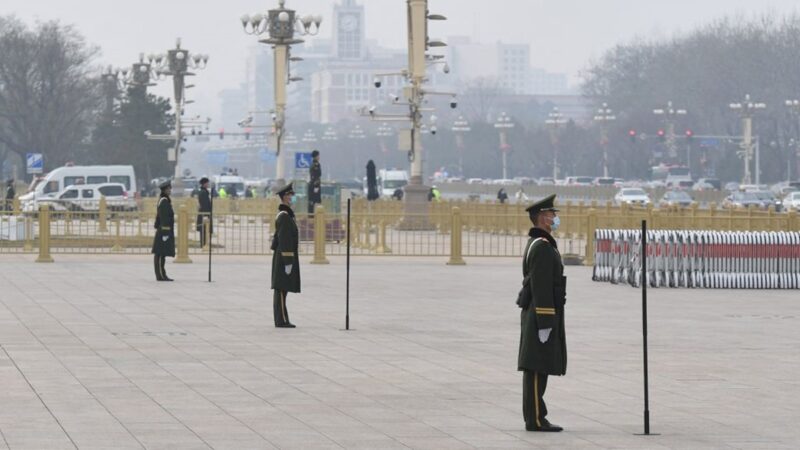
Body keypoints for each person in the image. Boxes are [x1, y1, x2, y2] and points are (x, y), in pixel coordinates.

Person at [519, 194, 567, 432]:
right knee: (537, 368)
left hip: (536, 314)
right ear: (542, 218)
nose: (555, 218)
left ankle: (537, 415)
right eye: (552, 214)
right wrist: (546, 320)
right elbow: (541, 287)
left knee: (538, 366)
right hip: (540, 315)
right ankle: (536, 418)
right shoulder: (542, 248)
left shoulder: (541, 244)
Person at [271, 183, 300, 328]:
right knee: (281, 289)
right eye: (288, 196)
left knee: (282, 290)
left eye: (291, 195)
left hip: (282, 256)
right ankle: (281, 320)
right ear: (283, 198)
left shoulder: (286, 215)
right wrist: (288, 260)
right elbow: (284, 240)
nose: (291, 198)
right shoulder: (284, 217)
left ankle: (282, 318)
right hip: (283, 257)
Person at [151, 180, 176, 281]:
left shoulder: (163, 200)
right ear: (165, 190)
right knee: (161, 254)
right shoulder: (164, 201)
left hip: (162, 230)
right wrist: (166, 232)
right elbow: (164, 218)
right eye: (169, 188)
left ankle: (161, 274)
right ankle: (161, 275)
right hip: (164, 231)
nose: (170, 190)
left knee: (161, 253)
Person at [196, 177, 212, 248]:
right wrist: (206, 215)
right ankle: (204, 245)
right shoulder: (203, 193)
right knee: (204, 230)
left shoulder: (204, 192)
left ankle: (204, 244)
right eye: (207, 183)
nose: (208, 184)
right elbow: (204, 205)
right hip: (204, 214)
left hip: (204, 214)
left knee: (205, 230)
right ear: (204, 184)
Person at [309, 150, 322, 214]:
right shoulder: (316, 165)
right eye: (318, 155)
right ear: (316, 156)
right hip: (315, 185)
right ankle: (314, 215)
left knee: (313, 201)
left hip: (314, 184)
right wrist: (316, 186)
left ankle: (312, 215)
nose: (319, 157)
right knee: (315, 200)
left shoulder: (313, 164)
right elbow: (317, 175)